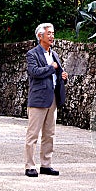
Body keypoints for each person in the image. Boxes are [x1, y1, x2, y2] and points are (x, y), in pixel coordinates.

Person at [24, 23, 68, 177]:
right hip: (38, 100)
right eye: (49, 33)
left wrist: (63, 77)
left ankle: (46, 165)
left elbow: (56, 72)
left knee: (49, 134)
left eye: (53, 33)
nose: (52, 36)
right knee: (33, 135)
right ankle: (30, 165)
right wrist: (51, 68)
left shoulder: (54, 54)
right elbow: (34, 72)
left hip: (53, 99)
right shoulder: (32, 54)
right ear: (40, 36)